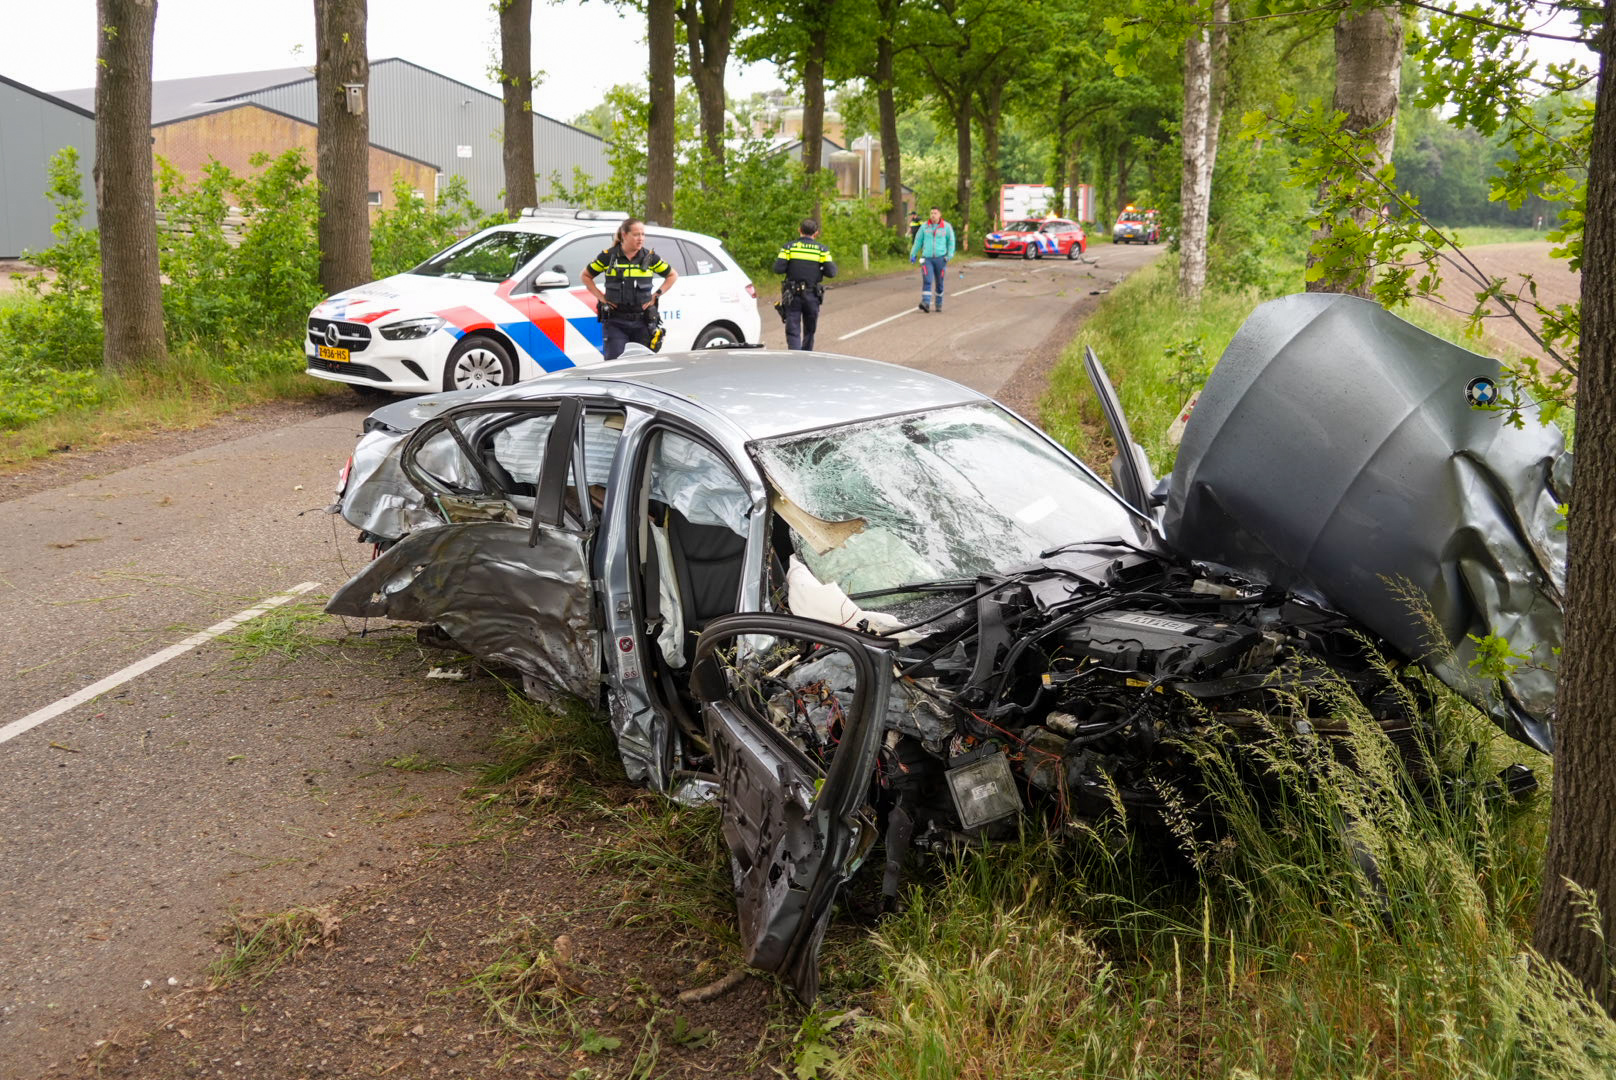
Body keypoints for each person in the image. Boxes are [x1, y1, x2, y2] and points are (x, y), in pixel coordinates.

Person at [581, 218, 678, 360]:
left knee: (642, 366)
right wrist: (601, 297)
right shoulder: (608, 256)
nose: (641, 239)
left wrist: (656, 295)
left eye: (643, 234)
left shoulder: (650, 258)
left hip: (643, 322)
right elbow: (585, 276)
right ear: (624, 235)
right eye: (636, 234)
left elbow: (672, 275)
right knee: (615, 366)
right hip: (616, 321)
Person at [772, 218, 838, 350]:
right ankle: (807, 355)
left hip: (792, 295)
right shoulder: (822, 250)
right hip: (812, 295)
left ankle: (795, 358)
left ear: (799, 230)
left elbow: (778, 269)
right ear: (816, 233)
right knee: (810, 329)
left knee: (793, 329)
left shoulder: (788, 248)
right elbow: (832, 272)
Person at [909, 206, 956, 313]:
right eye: (931, 213)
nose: (933, 215)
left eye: (935, 213)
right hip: (927, 259)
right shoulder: (924, 227)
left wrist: (949, 255)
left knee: (939, 283)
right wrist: (913, 254)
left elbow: (951, 242)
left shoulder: (947, 227)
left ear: (940, 215)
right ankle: (925, 303)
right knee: (927, 280)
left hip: (940, 259)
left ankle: (939, 303)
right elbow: (918, 241)